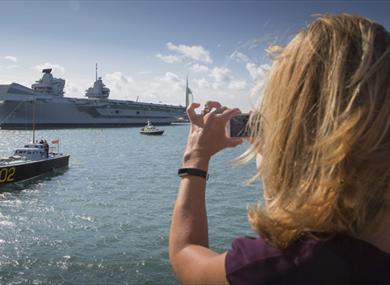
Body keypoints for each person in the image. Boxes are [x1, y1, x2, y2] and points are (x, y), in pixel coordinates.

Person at [169, 14, 390, 285]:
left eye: (267, 124)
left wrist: (195, 159)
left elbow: (185, 256)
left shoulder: (290, 265)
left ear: (293, 141)